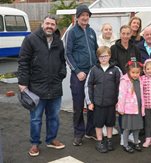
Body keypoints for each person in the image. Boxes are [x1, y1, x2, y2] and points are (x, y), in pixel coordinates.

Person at [18, 15, 66, 157]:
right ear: (42, 24)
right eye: (47, 23)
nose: (49, 26)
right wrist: (23, 82)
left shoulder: (59, 42)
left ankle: (51, 139)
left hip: (55, 86)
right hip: (36, 87)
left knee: (54, 116)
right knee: (36, 118)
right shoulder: (30, 39)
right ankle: (34, 144)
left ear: (55, 27)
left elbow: (62, 61)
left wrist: (61, 74)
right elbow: (23, 62)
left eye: (52, 24)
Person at [65, 4, 98, 146]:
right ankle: (78, 133)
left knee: (92, 104)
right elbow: (67, 54)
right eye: (82, 15)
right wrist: (77, 71)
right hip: (79, 75)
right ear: (77, 17)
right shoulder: (72, 32)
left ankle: (90, 131)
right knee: (78, 105)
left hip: (92, 75)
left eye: (87, 15)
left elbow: (96, 50)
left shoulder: (92, 32)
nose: (85, 17)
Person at [85, 46, 120, 153]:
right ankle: (99, 141)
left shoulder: (116, 70)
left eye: (105, 56)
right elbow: (88, 86)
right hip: (98, 104)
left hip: (111, 104)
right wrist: (89, 102)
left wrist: (119, 102)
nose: (103, 58)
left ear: (109, 56)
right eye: (101, 57)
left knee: (110, 123)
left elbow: (121, 86)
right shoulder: (94, 70)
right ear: (98, 57)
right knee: (98, 124)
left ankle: (109, 140)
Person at [117, 61, 145, 153]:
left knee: (137, 127)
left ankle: (136, 142)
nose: (135, 75)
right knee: (127, 128)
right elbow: (121, 95)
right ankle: (125, 145)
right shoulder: (124, 80)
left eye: (137, 72)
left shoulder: (140, 80)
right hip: (128, 109)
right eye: (133, 72)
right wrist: (120, 108)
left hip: (138, 109)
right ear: (129, 71)